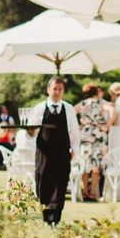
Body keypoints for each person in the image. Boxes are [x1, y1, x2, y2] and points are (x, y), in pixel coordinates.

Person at [33, 76, 80, 226]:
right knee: (43, 184)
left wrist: (74, 150)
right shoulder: (39, 108)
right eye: (54, 89)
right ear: (48, 90)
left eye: (60, 89)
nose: (57, 92)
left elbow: (74, 133)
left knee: (60, 186)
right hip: (44, 155)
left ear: (63, 91)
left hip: (62, 154)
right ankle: (46, 217)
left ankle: (55, 219)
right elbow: (31, 132)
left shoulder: (69, 109)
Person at [75, 83, 109, 201]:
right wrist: (104, 125)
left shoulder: (81, 104)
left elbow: (71, 113)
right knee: (96, 165)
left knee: (84, 165)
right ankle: (93, 193)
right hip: (97, 135)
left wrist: (79, 125)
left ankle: (84, 192)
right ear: (96, 92)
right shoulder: (100, 104)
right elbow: (107, 117)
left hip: (85, 134)